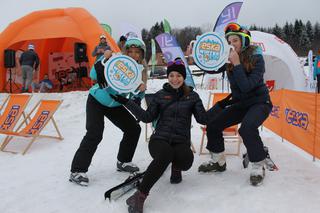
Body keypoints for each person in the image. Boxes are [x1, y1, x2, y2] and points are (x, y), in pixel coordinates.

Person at [111, 58, 221, 213]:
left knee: (187, 160)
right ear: (168, 77)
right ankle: (139, 195)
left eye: (178, 76)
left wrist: (220, 106)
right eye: (172, 76)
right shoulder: (160, 95)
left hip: (180, 140)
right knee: (165, 154)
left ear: (184, 78)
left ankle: (176, 167)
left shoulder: (193, 97)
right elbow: (147, 117)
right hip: (159, 139)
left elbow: (202, 119)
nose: (175, 79)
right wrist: (127, 102)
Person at [198, 22, 273, 186]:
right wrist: (197, 56)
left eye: (235, 41)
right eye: (229, 42)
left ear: (244, 41)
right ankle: (218, 161)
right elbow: (210, 68)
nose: (232, 45)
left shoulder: (257, 59)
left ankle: (258, 165)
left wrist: (237, 64)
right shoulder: (228, 58)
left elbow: (246, 87)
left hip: (260, 102)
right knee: (213, 124)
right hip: (241, 103)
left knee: (246, 128)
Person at [69, 38, 148, 187]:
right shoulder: (114, 60)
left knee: (133, 129)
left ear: (141, 55)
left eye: (137, 52)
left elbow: (135, 96)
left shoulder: (139, 72)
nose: (133, 55)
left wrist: (141, 92)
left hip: (115, 105)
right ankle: (77, 170)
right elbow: (93, 75)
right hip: (97, 99)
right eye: (130, 51)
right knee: (95, 132)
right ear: (125, 51)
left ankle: (124, 161)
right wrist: (100, 63)